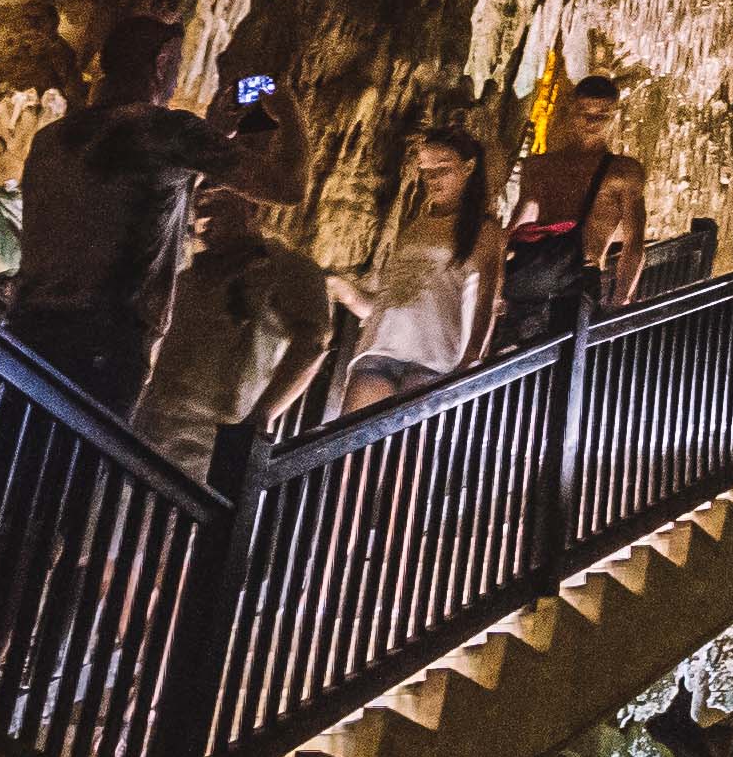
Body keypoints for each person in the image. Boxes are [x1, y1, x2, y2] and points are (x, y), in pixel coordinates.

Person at [3, 13, 214, 405]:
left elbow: (126, 198)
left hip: (28, 329)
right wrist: (283, 102)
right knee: (75, 463)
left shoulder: (51, 139)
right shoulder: (167, 132)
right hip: (106, 343)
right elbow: (284, 187)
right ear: (162, 60)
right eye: (177, 65)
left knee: (6, 457)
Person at [139, 93, 334, 481]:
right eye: (200, 205)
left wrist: (260, 417)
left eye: (216, 203)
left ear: (248, 206)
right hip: (151, 424)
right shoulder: (187, 275)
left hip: (212, 436)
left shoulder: (285, 269)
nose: (203, 216)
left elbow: (313, 341)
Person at [333, 123, 502, 413]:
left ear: (469, 166)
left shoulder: (483, 230)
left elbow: (487, 300)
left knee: (406, 455)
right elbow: (394, 296)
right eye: (425, 169)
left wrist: (472, 356)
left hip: (433, 357)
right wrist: (345, 291)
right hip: (380, 347)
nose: (431, 177)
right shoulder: (414, 222)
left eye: (442, 168)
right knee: (352, 449)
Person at [497, 77, 646, 347]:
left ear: (614, 116)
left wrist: (622, 297)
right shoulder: (539, 167)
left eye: (601, 115)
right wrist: (495, 272)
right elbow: (522, 218)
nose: (591, 122)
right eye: (584, 113)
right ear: (570, 112)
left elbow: (635, 239)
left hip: (579, 276)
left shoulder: (623, 172)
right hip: (534, 267)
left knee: (564, 355)